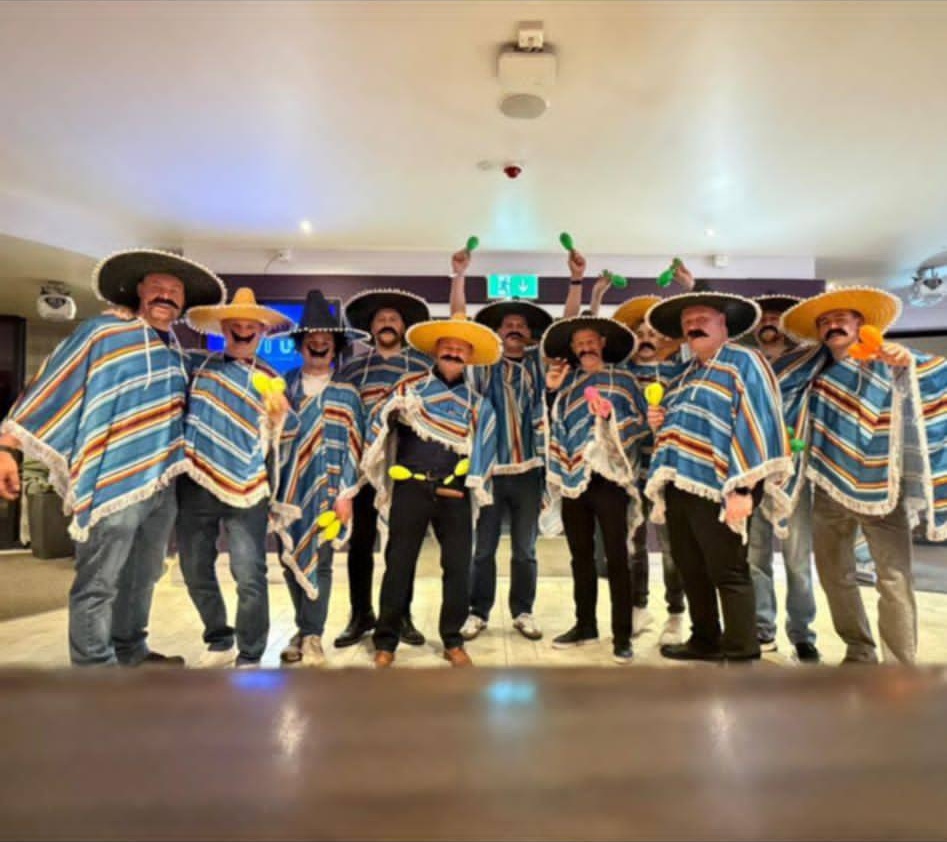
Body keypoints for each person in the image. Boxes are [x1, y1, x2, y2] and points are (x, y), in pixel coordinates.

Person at [0, 249, 225, 666]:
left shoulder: (176, 349)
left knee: (143, 577)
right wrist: (7, 447)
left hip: (161, 484)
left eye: (174, 290)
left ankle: (131, 650)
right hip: (111, 483)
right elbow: (52, 382)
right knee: (99, 580)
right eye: (157, 286)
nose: (166, 294)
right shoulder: (102, 332)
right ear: (138, 290)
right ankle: (93, 668)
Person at [779, 287, 947, 664]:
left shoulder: (890, 358)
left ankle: (899, 663)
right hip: (826, 488)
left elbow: (934, 375)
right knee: (834, 575)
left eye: (841, 318)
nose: (832, 325)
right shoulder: (811, 368)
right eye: (824, 321)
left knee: (894, 578)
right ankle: (858, 649)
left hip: (882, 487)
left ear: (860, 324)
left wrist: (907, 364)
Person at [646, 290, 791, 662]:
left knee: (728, 571)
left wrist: (745, 487)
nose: (693, 327)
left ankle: (743, 648)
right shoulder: (686, 374)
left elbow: (759, 421)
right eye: (687, 323)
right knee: (691, 569)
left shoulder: (746, 361)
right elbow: (689, 426)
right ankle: (705, 639)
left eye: (702, 320)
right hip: (680, 484)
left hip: (725, 486)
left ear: (723, 325)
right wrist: (662, 422)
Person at [362, 314, 500, 667]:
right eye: (447, 347)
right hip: (410, 487)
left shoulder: (478, 404)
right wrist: (393, 411)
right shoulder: (410, 391)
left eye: (460, 349)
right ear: (436, 352)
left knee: (457, 567)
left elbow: (486, 446)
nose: (453, 352)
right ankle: (386, 641)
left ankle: (452, 639)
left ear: (468, 356)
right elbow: (378, 422)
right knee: (398, 565)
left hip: (454, 492)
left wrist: (475, 485)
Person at [177, 288, 295, 668]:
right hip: (197, 481)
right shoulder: (198, 367)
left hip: (249, 486)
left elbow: (283, 440)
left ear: (261, 332)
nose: (244, 332)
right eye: (236, 326)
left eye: (251, 327)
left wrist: (279, 420)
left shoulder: (273, 379)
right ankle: (218, 634)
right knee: (194, 568)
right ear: (223, 329)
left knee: (249, 574)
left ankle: (251, 651)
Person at [449, 248, 551, 642]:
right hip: (489, 472)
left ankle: (523, 611)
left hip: (528, 472)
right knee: (483, 550)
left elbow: (567, 327)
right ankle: (478, 613)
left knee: (525, 550)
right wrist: (459, 277)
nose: (514, 328)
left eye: (520, 325)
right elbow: (459, 323)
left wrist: (576, 282)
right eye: (507, 323)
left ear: (529, 334)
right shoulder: (482, 366)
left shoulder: (540, 366)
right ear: (498, 331)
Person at [543, 313, 648, 664]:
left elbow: (640, 422)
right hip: (575, 480)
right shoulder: (568, 383)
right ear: (573, 349)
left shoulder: (624, 379)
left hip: (610, 480)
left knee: (617, 558)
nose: (585, 347)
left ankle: (621, 636)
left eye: (590, 341)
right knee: (581, 557)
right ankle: (585, 624)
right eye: (579, 344)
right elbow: (555, 426)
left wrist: (609, 419)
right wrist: (551, 392)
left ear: (602, 343)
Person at [273, 289, 367, 667]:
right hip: (288, 489)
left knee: (322, 560)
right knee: (288, 559)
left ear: (336, 347)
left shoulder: (347, 393)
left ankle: (312, 634)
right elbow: (267, 440)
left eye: (325, 342)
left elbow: (356, 445)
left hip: (330, 491)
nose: (318, 346)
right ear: (301, 345)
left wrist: (346, 493)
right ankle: (302, 627)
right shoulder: (283, 387)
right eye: (312, 341)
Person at [335, 288, 431, 648]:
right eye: (380, 319)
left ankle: (399, 614)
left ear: (404, 326)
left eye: (393, 319)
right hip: (361, 469)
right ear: (371, 328)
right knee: (360, 544)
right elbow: (340, 418)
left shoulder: (423, 369)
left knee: (401, 547)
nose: (387, 323)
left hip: (407, 468)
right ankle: (360, 615)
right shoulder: (352, 370)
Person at [744, 294, 820, 663]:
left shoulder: (807, 359)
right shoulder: (748, 364)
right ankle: (762, 629)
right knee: (755, 558)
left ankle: (803, 634)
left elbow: (840, 348)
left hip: (795, 474)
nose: (769, 321)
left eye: (776, 316)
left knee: (797, 560)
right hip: (755, 470)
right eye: (763, 317)